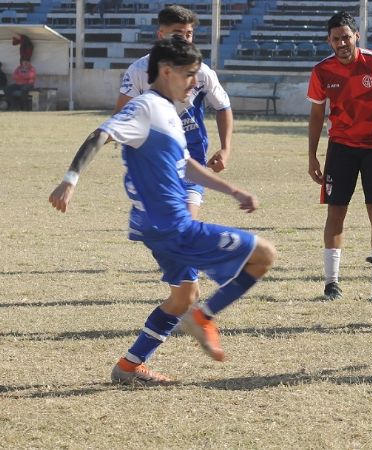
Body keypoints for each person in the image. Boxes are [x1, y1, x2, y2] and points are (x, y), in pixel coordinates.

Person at [48, 36, 276, 385]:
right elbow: (100, 135)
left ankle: (129, 366)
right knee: (264, 256)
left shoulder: (169, 112)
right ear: (167, 71)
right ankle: (204, 318)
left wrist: (232, 190)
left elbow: (186, 165)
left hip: (154, 227)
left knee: (183, 295)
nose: (194, 83)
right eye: (189, 75)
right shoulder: (145, 108)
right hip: (174, 228)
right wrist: (70, 179)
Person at [307, 11, 372, 303]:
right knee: (335, 212)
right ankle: (331, 283)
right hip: (340, 148)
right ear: (329, 40)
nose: (342, 43)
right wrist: (313, 156)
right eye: (336, 38)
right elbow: (316, 115)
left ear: (357, 37)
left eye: (346, 37)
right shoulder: (322, 71)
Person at [114, 4, 234, 221]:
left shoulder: (203, 72)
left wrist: (225, 148)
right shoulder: (139, 70)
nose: (185, 39)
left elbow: (223, 107)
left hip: (193, 157)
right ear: (161, 35)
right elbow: (121, 114)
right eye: (178, 33)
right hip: (154, 160)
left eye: (189, 34)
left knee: (187, 222)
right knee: (165, 227)